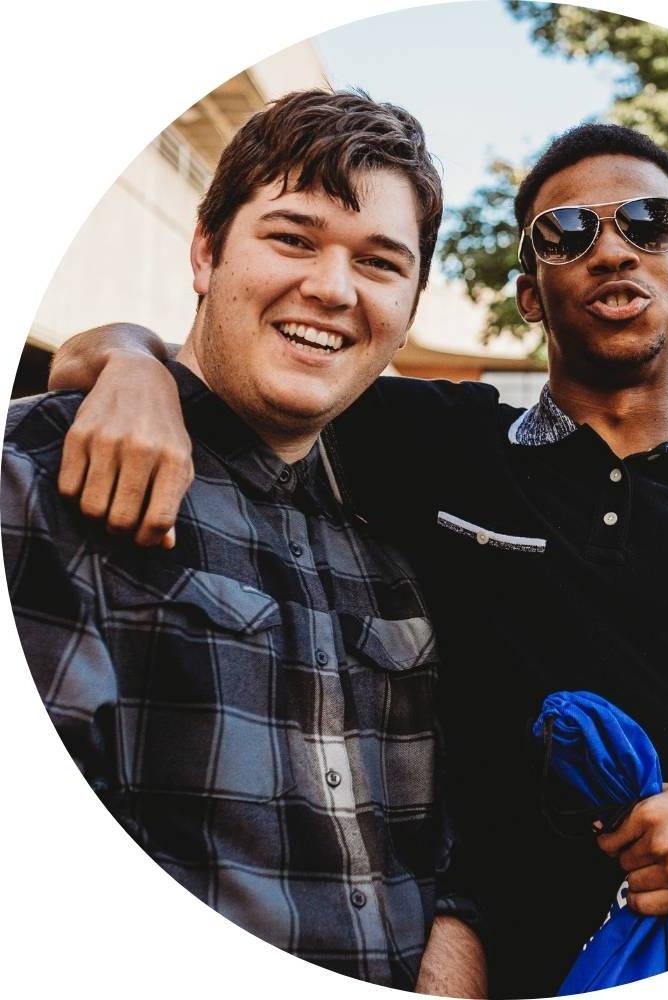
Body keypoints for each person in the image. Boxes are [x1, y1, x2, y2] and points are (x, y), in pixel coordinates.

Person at [46, 123, 668, 998]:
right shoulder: (425, 439)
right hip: (453, 961)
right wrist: (137, 368)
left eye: (650, 223)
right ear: (528, 293)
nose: (613, 251)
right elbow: (123, 356)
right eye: (568, 233)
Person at [3, 89, 485, 995]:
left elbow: (448, 825)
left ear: (411, 306)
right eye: (293, 239)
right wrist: (131, 359)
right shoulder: (37, 472)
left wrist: (458, 947)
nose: (333, 289)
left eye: (380, 262)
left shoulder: (393, 540)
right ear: (204, 251)